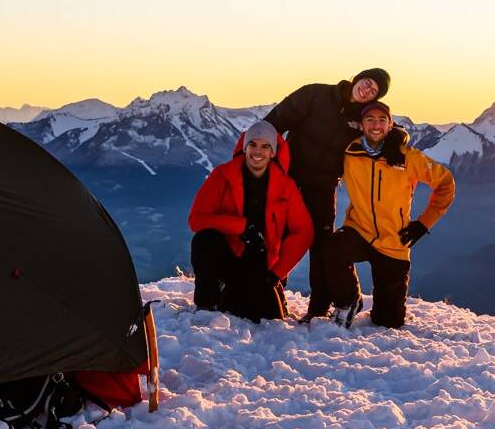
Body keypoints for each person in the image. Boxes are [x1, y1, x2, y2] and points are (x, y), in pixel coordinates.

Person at [315, 98, 455, 328]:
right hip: (358, 230)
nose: (376, 125)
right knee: (333, 247)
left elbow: (445, 183)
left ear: (390, 125)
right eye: (370, 120)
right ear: (361, 125)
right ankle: (348, 301)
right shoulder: (350, 152)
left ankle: (388, 310)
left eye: (382, 120)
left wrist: (423, 223)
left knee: (388, 322)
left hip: (394, 240)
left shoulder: (406, 157)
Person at [265, 68, 390, 317]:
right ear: (357, 78)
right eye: (367, 82)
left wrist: (397, 139)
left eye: (373, 91)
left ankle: (318, 307)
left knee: (320, 242)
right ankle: (272, 289)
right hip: (290, 177)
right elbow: (275, 120)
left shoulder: (363, 119)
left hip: (323, 185)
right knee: (277, 231)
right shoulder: (317, 94)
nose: (367, 90)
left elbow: (385, 130)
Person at [187, 121, 313, 322]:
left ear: (273, 152)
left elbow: (303, 232)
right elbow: (196, 220)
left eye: (265, 146)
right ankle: (206, 304)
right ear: (245, 147)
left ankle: (247, 293)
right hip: (228, 254)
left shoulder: (285, 186)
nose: (258, 151)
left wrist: (276, 273)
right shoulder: (223, 175)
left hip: (261, 263)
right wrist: (242, 226)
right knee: (204, 239)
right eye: (253, 144)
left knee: (264, 318)